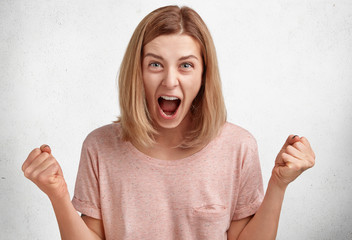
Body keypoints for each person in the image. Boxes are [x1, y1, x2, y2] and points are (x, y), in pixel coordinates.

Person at [21, 5, 315, 240]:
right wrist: (57, 195)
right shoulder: (99, 147)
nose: (170, 80)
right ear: (137, 72)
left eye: (186, 65)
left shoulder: (238, 147)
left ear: (204, 75)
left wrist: (278, 184)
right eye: (155, 64)